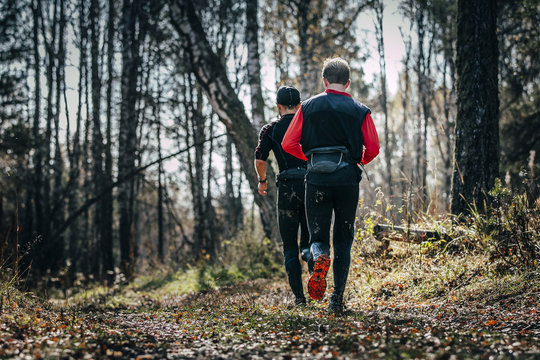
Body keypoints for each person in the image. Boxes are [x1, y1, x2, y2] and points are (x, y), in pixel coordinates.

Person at [281, 57, 380, 314]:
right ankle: (336, 299)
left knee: (318, 237)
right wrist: (356, 161)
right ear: (347, 83)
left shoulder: (308, 107)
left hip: (316, 181)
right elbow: (374, 147)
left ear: (324, 81)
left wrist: (312, 159)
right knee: (344, 240)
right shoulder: (360, 110)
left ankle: (319, 257)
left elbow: (288, 144)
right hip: (347, 181)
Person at [254, 85, 314, 307]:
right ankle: (312, 259)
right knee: (309, 238)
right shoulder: (308, 125)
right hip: (311, 184)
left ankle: (299, 299)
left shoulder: (270, 130)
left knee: (289, 244)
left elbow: (260, 158)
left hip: (287, 186)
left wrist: (262, 181)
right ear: (299, 106)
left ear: (278, 106)